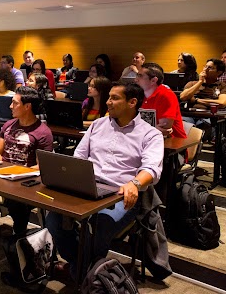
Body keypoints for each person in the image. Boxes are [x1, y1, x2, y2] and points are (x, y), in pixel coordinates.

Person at [46, 82, 164, 281]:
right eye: (108, 97)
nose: (108, 102)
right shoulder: (98, 124)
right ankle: (82, 270)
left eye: (115, 98)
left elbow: (152, 169)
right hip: (87, 185)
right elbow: (79, 156)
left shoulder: (150, 134)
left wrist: (134, 183)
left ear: (132, 102)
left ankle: (81, 275)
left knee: (100, 224)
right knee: (53, 218)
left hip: (120, 194)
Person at [0, 86, 53, 236]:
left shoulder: (43, 133)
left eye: (15, 103)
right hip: (2, 174)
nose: (10, 106)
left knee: (16, 199)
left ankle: (19, 237)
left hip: (24, 180)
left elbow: (41, 166)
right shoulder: (8, 125)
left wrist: (17, 173)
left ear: (27, 106)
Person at [136, 63, 186, 139]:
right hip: (146, 139)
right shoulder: (138, 94)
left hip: (172, 144)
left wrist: (139, 129)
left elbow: (164, 130)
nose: (135, 79)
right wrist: (151, 129)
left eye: (140, 76)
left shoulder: (166, 95)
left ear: (153, 80)